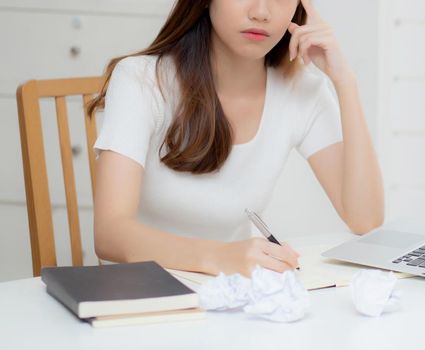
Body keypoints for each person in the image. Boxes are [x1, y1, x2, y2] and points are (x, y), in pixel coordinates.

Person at [87, 0, 384, 277]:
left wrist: (345, 81)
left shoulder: (302, 91)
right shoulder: (141, 80)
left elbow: (365, 219)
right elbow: (110, 233)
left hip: (232, 297)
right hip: (144, 292)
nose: (261, 12)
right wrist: (219, 257)